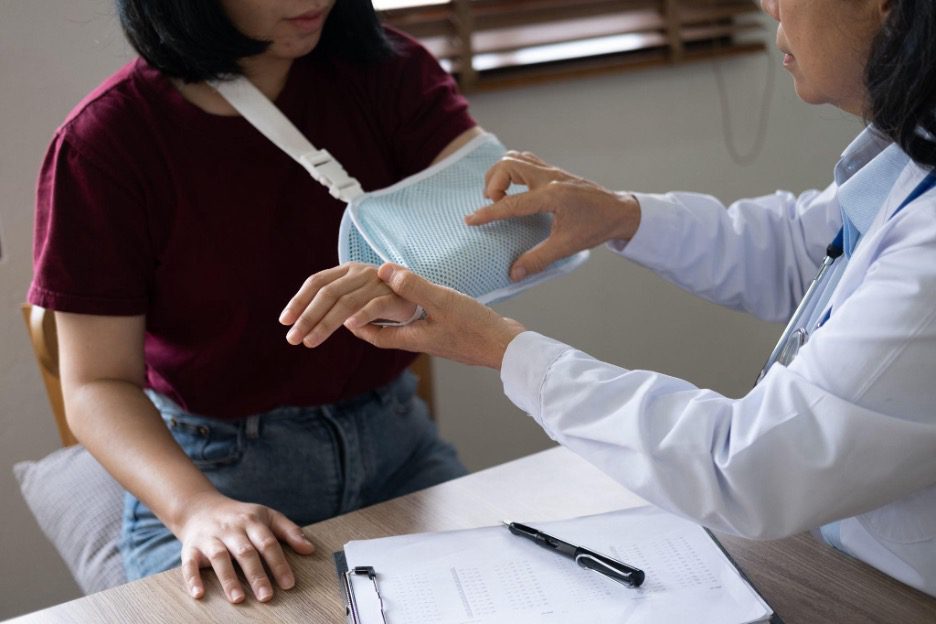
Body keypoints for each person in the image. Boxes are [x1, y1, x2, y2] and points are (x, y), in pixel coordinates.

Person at [285, 0, 936, 597]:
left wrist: (502, 349)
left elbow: (744, 467)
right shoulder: (907, 167)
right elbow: (804, 247)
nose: (766, 3)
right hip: (840, 559)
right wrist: (621, 216)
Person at [29, 0, 481, 604]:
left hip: (399, 445)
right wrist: (195, 510)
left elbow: (501, 226)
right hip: (218, 472)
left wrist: (417, 278)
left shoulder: (390, 71)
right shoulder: (108, 142)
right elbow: (96, 385)